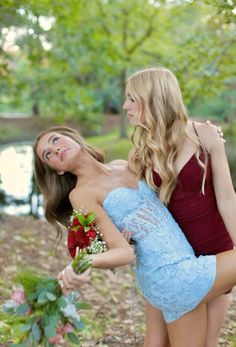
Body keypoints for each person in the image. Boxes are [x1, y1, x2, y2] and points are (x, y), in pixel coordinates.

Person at [33, 126, 236, 347]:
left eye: (55, 140)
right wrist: (85, 261)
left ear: (71, 137)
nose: (55, 150)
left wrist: (202, 133)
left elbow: (168, 151)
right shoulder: (81, 194)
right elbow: (123, 251)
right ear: (57, 170)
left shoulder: (123, 164)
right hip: (169, 274)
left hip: (177, 267)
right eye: (48, 155)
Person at [122, 67, 236, 347]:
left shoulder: (206, 135)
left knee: (207, 342)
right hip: (171, 262)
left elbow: (227, 199)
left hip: (215, 255)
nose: (125, 106)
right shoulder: (139, 154)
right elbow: (141, 209)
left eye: (132, 99)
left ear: (154, 98)